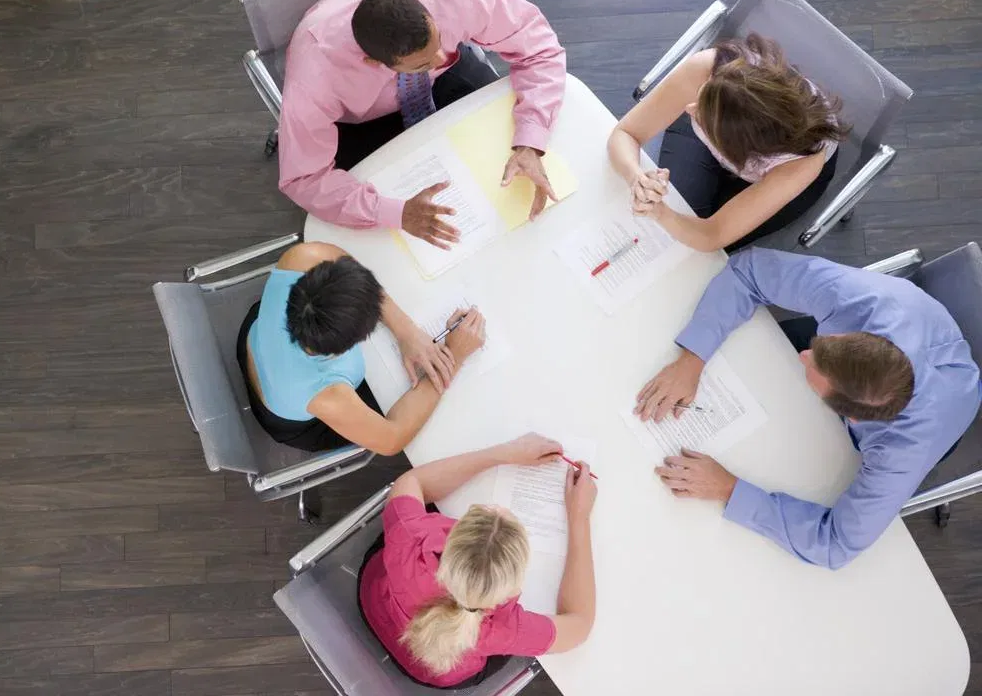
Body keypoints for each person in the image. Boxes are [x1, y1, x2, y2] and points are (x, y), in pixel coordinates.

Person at [634, 248, 981, 569]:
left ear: (850, 417)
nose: (804, 355)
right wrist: (693, 358)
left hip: (945, 410)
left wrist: (728, 488)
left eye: (814, 367)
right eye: (822, 346)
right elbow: (749, 271)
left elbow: (835, 544)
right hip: (910, 327)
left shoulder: (900, 452)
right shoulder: (861, 300)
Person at [279, 0, 567, 249]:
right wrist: (394, 213)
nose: (441, 58)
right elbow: (304, 179)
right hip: (366, 122)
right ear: (374, 63)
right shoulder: (313, 79)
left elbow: (540, 48)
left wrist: (530, 141)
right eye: (422, 63)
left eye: (438, 41)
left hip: (442, 83)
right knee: (384, 239)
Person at [358, 433, 598, 687]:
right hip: (434, 669)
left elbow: (412, 481)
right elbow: (580, 625)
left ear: (451, 539)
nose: (501, 509)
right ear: (513, 588)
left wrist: (502, 453)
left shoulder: (411, 537)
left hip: (373, 601)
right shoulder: (505, 629)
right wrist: (579, 517)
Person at [237, 241, 486, 454]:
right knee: (397, 396)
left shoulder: (300, 258)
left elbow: (341, 258)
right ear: (345, 349)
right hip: (294, 419)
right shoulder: (327, 394)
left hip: (256, 340)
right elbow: (392, 439)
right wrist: (454, 355)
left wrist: (406, 331)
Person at [607, 33, 847, 252]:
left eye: (703, 113)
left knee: (690, 244)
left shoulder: (803, 163)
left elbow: (713, 235)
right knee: (679, 214)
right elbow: (626, 133)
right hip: (734, 130)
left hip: (771, 169)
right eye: (703, 95)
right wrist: (636, 177)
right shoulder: (708, 70)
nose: (689, 108)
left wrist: (661, 213)